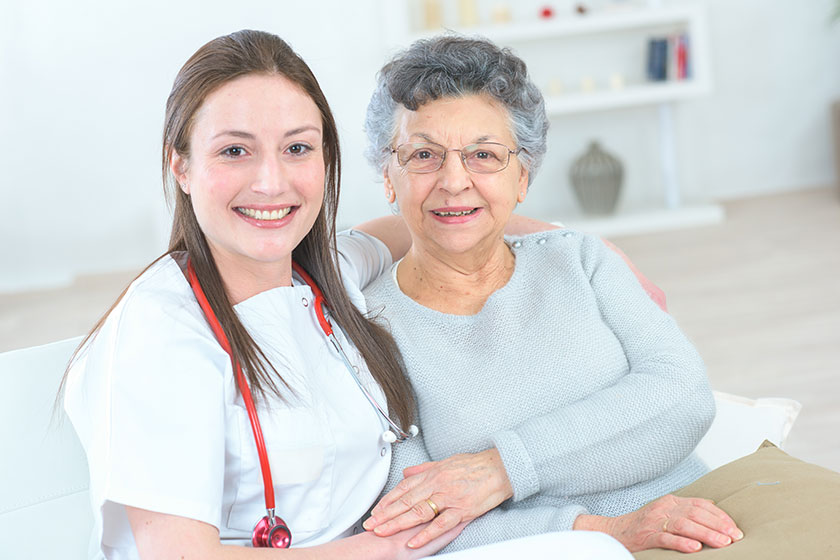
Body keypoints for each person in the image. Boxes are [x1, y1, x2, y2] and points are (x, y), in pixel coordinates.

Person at [61, 29, 632, 560]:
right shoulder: (159, 333)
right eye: (235, 151)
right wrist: (383, 549)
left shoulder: (322, 274)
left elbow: (425, 221)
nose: (271, 182)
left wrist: (578, 244)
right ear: (180, 164)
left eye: (298, 148)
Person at [358, 35, 744, 556]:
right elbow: (413, 522)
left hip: (705, 525)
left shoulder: (580, 258)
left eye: (484, 155)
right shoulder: (368, 329)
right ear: (388, 175)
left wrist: (503, 470)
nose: (454, 180)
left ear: (523, 176)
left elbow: (684, 397)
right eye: (423, 154)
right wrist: (609, 532)